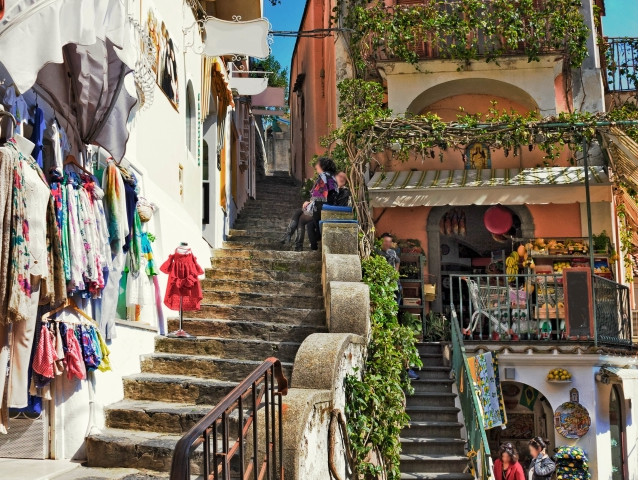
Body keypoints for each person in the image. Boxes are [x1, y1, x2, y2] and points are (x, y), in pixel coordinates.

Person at [379, 233, 420, 380]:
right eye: (386, 241)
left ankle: (408, 370)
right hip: (386, 287)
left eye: (390, 242)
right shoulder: (378, 253)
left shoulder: (393, 253)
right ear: (382, 242)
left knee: (395, 304)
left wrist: (395, 273)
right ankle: (406, 370)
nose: (388, 244)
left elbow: (398, 262)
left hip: (395, 286)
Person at [280, 157, 338, 251]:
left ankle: (292, 239)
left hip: (323, 207)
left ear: (322, 166)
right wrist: (310, 202)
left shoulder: (323, 176)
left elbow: (320, 196)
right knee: (299, 215)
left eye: (317, 164)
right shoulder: (331, 176)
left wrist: (309, 203)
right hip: (329, 205)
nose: (315, 166)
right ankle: (293, 241)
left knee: (300, 218)